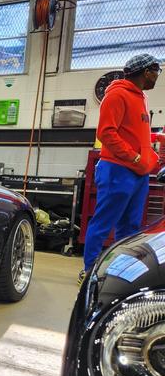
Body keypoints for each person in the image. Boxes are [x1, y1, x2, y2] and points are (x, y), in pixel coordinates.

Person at [81, 53, 161, 285]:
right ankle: (90, 273)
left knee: (131, 227)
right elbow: (106, 133)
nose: (157, 76)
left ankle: (120, 273)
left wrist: (148, 154)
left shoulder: (141, 97)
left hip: (138, 172)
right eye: (157, 71)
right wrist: (135, 157)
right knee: (104, 222)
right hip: (118, 169)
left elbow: (135, 133)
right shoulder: (117, 94)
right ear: (147, 71)